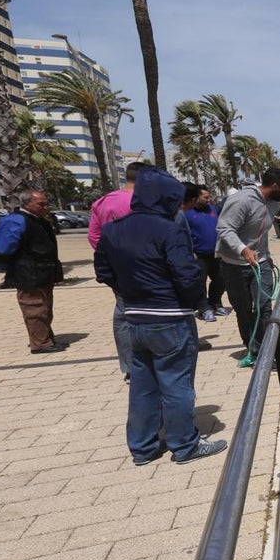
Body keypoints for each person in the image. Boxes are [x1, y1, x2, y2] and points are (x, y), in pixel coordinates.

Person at [94, 166, 227, 466]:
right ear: (166, 198)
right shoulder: (170, 229)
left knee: (143, 384)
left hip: (135, 318)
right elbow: (187, 274)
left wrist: (129, 292)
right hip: (171, 318)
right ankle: (185, 445)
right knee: (177, 383)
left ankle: (142, 447)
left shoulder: (113, 228)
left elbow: (102, 271)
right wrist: (195, 301)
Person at [217, 167, 280, 363]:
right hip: (234, 265)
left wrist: (266, 254)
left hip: (261, 263)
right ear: (274, 185)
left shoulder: (274, 203)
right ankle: (253, 349)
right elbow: (225, 229)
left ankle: (266, 351)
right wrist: (243, 249)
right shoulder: (242, 201)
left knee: (264, 307)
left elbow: (261, 233)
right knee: (244, 310)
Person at [0, 189, 66, 353]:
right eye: (41, 204)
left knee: (45, 309)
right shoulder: (15, 221)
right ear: (26, 203)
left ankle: (46, 338)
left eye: (47, 203)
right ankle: (40, 344)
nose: (46, 207)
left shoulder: (39, 220)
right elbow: (3, 249)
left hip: (44, 273)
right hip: (28, 274)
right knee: (35, 309)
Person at [89, 161, 145, 377]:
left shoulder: (103, 201)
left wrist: (110, 257)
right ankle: (144, 364)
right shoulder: (141, 202)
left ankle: (130, 366)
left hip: (116, 269)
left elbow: (93, 235)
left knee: (123, 313)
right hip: (142, 267)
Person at [184, 183, 229, 320]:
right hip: (199, 255)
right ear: (196, 198)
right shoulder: (187, 212)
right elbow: (184, 233)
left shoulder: (212, 209)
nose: (208, 200)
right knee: (200, 282)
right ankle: (204, 308)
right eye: (205, 197)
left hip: (216, 253)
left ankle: (215, 302)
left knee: (221, 279)